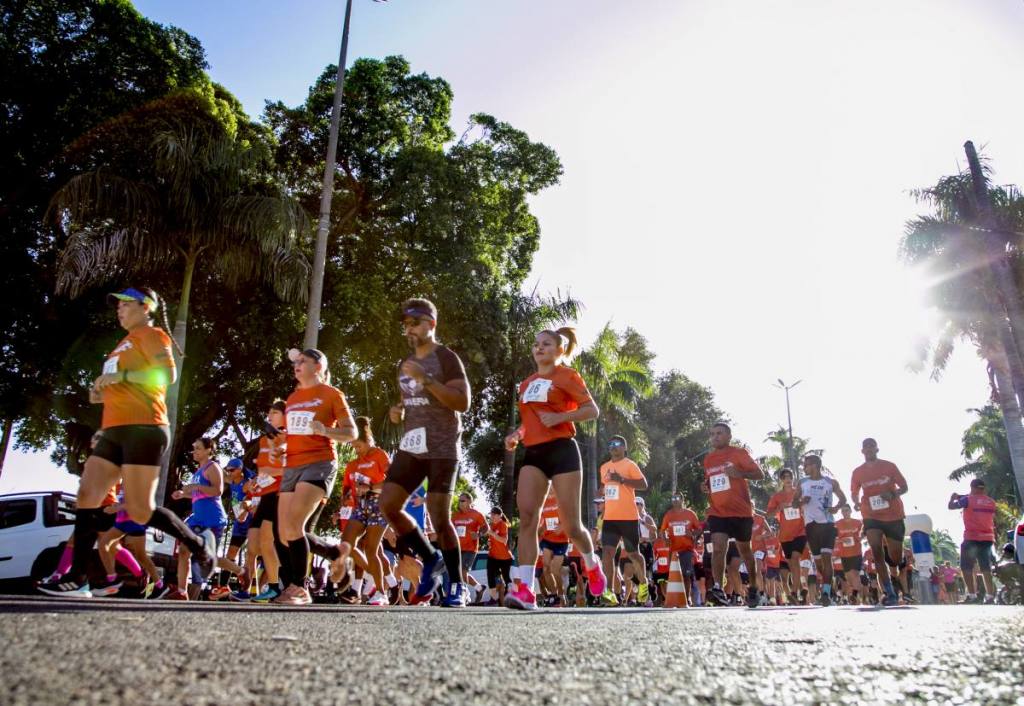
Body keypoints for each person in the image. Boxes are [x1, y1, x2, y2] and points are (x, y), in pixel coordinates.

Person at [39, 287, 215, 597]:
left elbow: (166, 375)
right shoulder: (121, 345)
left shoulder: (152, 334)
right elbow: (117, 383)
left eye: (124, 304)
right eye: (117, 305)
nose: (119, 309)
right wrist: (100, 391)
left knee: (141, 509)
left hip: (145, 426)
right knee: (87, 494)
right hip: (114, 429)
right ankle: (77, 576)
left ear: (145, 306)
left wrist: (122, 378)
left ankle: (197, 545)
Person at [502, 326, 607, 610]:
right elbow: (532, 421)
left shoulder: (567, 376)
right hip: (534, 454)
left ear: (560, 350)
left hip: (563, 451)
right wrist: (517, 436)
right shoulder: (526, 384)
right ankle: (525, 589)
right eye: (536, 344)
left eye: (546, 344)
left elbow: (591, 410)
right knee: (526, 518)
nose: (539, 348)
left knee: (571, 525)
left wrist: (561, 415)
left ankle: (591, 563)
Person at [380, 299, 472, 607]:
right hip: (411, 446)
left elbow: (462, 402)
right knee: (388, 504)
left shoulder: (446, 358)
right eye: (406, 324)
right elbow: (411, 402)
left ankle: (458, 585)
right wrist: (398, 413)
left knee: (440, 517)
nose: (409, 329)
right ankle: (431, 558)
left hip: (442, 447)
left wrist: (428, 379)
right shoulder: (404, 364)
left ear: (431, 324)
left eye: (415, 323)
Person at [275, 347, 356, 606]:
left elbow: (351, 433)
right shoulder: (292, 398)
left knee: (294, 525)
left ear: (318, 366)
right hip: (292, 466)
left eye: (302, 361)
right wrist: (283, 448)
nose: (296, 365)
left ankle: (300, 588)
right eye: (295, 362)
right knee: (284, 533)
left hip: (319, 463)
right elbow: (294, 435)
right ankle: (335, 552)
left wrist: (326, 431)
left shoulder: (331, 394)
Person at [327, 417, 392, 605]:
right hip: (359, 506)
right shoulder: (352, 465)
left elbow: (392, 479)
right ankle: (375, 577)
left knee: (372, 550)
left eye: (359, 446)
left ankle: (381, 592)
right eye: (354, 447)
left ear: (368, 440)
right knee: (346, 543)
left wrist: (371, 485)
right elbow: (346, 488)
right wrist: (345, 497)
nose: (357, 450)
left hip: (378, 504)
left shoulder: (379, 455)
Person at [702, 422, 765, 607]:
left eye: (719, 433)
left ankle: (753, 587)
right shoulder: (708, 459)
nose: (715, 437)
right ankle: (717, 587)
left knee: (745, 550)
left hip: (741, 511)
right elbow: (711, 481)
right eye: (712, 434)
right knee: (719, 547)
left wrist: (739, 473)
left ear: (729, 436)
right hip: (718, 511)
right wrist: (705, 486)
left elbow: (759, 474)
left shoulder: (739, 453)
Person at [168, 438, 229, 600]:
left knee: (203, 561)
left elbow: (217, 491)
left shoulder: (212, 467)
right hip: (197, 519)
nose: (194, 451)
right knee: (183, 551)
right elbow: (196, 493)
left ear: (209, 450)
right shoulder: (197, 472)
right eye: (194, 448)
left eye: (198, 449)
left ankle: (240, 572)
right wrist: (183, 494)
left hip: (212, 519)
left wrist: (196, 487)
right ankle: (182, 592)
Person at [850, 437, 909, 607]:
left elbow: (904, 486)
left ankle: (896, 572)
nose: (868, 450)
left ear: (877, 449)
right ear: (862, 451)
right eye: (865, 447)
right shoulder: (858, 472)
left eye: (871, 447)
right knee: (877, 553)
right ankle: (889, 592)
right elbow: (854, 491)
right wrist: (855, 501)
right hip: (871, 515)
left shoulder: (889, 466)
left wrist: (892, 495)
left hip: (893, 515)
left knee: (895, 558)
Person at [597, 436, 652, 607]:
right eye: (610, 444)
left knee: (633, 554)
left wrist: (622, 480)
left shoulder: (629, 464)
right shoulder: (604, 467)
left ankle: (643, 584)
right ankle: (609, 592)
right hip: (610, 518)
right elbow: (604, 487)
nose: (613, 447)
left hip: (628, 517)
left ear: (624, 447)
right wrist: (600, 492)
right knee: (607, 553)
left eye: (617, 444)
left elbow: (644, 484)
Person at [796, 454, 846, 606]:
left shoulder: (830, 482)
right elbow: (793, 503)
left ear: (816, 465)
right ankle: (828, 588)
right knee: (818, 563)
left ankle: (825, 593)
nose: (805, 467)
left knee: (826, 559)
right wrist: (801, 501)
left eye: (807, 464)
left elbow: (843, 499)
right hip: (810, 526)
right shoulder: (802, 482)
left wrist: (836, 508)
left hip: (827, 525)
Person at [949, 478, 998, 604]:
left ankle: (971, 595)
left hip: (972, 538)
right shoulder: (991, 502)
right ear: (983, 488)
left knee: (966, 567)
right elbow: (979, 500)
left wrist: (953, 498)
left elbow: (951, 506)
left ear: (972, 487)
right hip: (987, 538)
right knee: (985, 567)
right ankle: (990, 596)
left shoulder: (968, 499)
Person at [766, 468, 806, 604]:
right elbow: (768, 514)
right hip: (785, 535)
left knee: (795, 559)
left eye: (790, 476)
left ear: (793, 478)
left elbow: (808, 502)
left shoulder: (799, 492)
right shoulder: (777, 497)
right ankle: (797, 590)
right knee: (792, 563)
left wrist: (801, 503)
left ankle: (795, 591)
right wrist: (779, 508)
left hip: (800, 531)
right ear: (781, 480)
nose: (788, 479)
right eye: (785, 477)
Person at [659, 494, 701, 607]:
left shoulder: (690, 514)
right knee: (673, 575)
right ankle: (673, 599)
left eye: (677, 498)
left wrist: (692, 534)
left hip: (687, 549)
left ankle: (687, 599)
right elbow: (662, 530)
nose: (675, 501)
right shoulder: (669, 514)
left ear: (682, 500)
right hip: (673, 551)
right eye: (673, 498)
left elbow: (699, 529)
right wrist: (665, 539)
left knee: (686, 575)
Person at [451, 492, 488, 605]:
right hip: (457, 548)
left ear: (469, 502)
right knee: (457, 572)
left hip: (470, 549)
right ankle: (479, 588)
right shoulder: (455, 515)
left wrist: (479, 534)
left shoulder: (476, 514)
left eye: (463, 501)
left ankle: (462, 593)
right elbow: (451, 529)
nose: (460, 503)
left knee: (462, 571)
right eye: (459, 501)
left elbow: (486, 527)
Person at [538, 490, 570, 606]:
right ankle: (554, 594)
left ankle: (562, 594)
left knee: (555, 569)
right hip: (547, 539)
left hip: (561, 540)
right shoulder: (543, 502)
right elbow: (541, 521)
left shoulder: (561, 500)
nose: (550, 489)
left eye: (552, 486)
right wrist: (541, 529)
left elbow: (570, 517)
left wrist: (562, 526)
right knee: (546, 568)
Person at [834, 505, 864, 604]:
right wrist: (842, 540)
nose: (844, 512)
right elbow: (834, 539)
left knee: (855, 573)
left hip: (856, 552)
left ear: (850, 511)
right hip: (844, 554)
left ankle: (854, 595)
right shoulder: (837, 524)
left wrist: (860, 537)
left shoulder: (858, 522)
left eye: (846, 510)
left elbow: (864, 533)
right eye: (843, 511)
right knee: (849, 577)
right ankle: (855, 595)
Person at [485, 507, 514, 605]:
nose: (491, 517)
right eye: (491, 515)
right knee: (490, 575)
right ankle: (493, 598)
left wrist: (492, 534)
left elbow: (503, 540)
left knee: (507, 578)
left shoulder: (503, 525)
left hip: (505, 558)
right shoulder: (491, 525)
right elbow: (493, 539)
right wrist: (489, 542)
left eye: (493, 515)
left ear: (499, 515)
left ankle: (513, 596)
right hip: (493, 555)